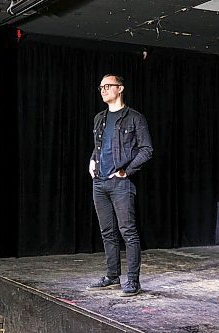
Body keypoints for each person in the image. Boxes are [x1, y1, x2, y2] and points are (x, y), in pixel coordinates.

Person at [87, 74, 153, 296]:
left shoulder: (134, 118)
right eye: (101, 86)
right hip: (100, 183)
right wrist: (92, 160)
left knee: (128, 232)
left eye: (108, 86)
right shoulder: (99, 118)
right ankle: (112, 276)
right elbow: (99, 147)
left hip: (120, 184)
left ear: (120, 88)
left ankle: (133, 280)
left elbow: (147, 150)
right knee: (107, 232)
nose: (103, 89)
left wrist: (127, 171)